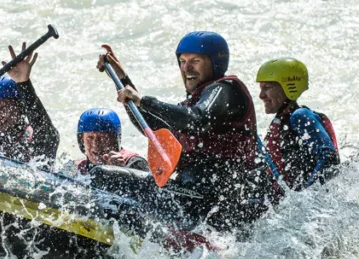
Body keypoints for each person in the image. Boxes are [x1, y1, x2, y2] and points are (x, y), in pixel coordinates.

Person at [98, 32, 271, 230]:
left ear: (215, 63)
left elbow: (198, 119)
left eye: (195, 61)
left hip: (214, 201)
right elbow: (152, 128)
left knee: (104, 176)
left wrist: (144, 100)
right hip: (191, 199)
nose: (186, 68)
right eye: (182, 61)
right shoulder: (188, 108)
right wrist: (122, 79)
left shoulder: (226, 90)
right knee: (109, 178)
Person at [255, 58, 339, 191]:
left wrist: (307, 193)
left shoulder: (300, 116)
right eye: (261, 88)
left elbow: (328, 156)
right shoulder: (281, 122)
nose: (261, 95)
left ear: (287, 88)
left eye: (267, 88)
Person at [74, 108, 148, 174]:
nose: (95, 144)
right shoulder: (76, 168)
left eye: (103, 138)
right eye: (90, 137)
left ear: (115, 140)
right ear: (82, 141)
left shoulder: (136, 164)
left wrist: (119, 173)